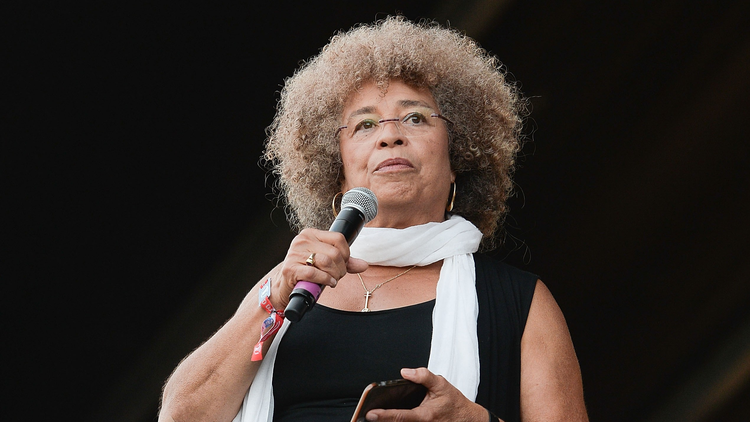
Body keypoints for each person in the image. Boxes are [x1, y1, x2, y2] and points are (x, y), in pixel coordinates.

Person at [159, 17, 588, 422]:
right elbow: (179, 415)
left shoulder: (520, 302)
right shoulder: (289, 285)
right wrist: (270, 300)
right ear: (337, 170)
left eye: (415, 117)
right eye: (364, 125)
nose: (389, 134)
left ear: (458, 157)